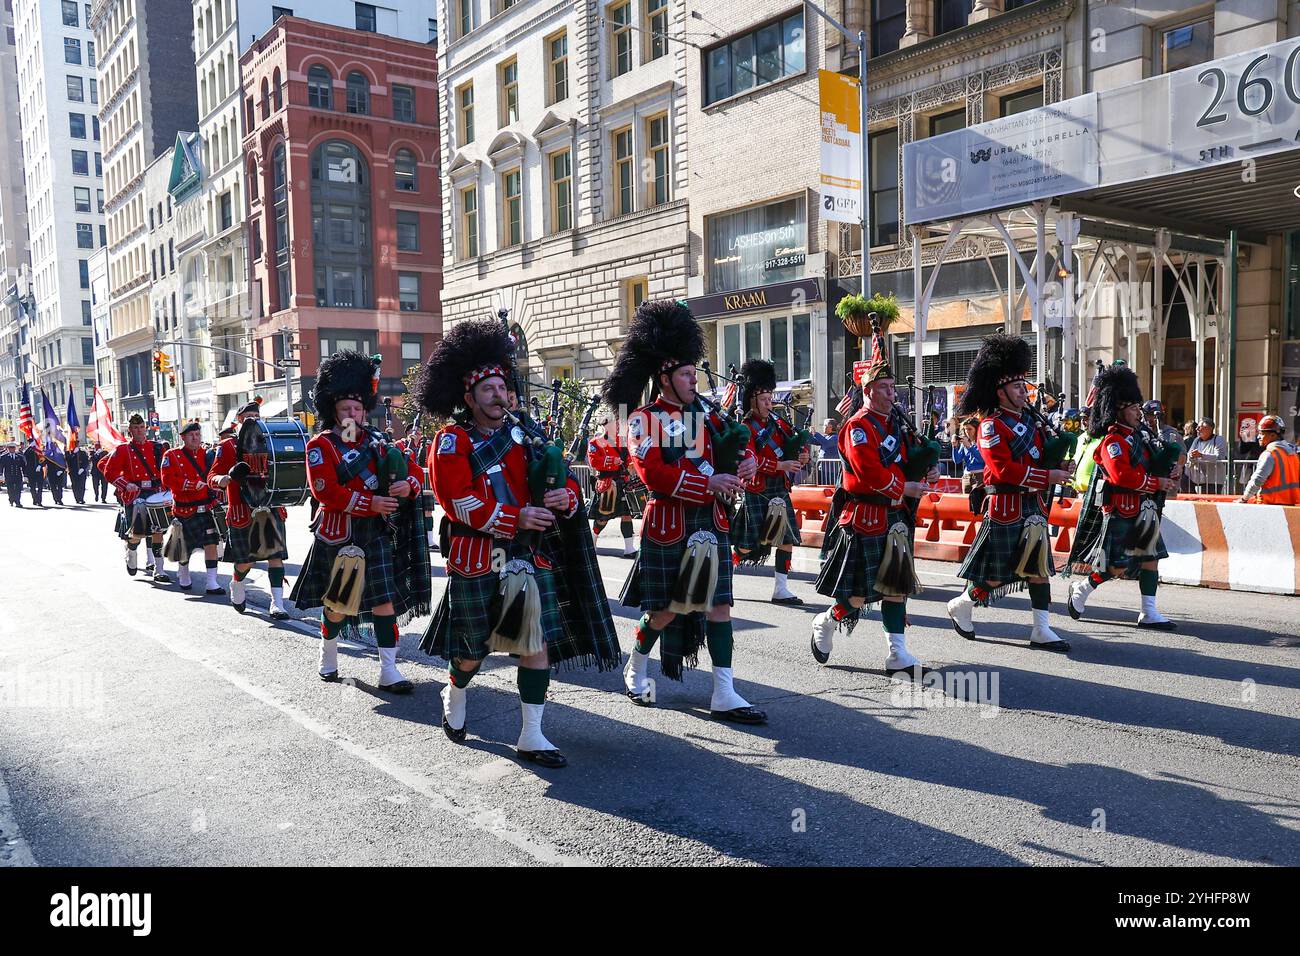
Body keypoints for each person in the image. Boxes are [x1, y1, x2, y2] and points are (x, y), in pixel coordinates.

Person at [418, 322, 621, 766]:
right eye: (487, 389)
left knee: (535, 643)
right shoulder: (452, 441)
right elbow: (458, 503)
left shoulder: (527, 433)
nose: (497, 395)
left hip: (530, 554)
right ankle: (454, 688)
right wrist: (516, 516)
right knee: (473, 650)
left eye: (501, 387)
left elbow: (563, 477)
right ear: (469, 398)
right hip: (478, 557)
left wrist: (565, 496)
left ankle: (532, 735)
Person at [606, 299, 767, 723]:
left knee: (719, 607)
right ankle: (636, 665)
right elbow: (653, 472)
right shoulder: (645, 420)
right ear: (664, 378)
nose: (693, 380)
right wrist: (706, 482)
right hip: (669, 525)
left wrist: (747, 463)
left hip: (710, 522)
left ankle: (724, 691)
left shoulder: (708, 414)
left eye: (694, 373)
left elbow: (738, 445)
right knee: (667, 609)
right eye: (684, 374)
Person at [291, 351, 432, 694]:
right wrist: (371, 502)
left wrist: (408, 485)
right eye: (345, 410)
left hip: (376, 534)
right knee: (338, 605)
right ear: (333, 412)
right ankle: (328, 655)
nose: (352, 414)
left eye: (357, 409)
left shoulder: (379, 441)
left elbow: (412, 470)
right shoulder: (320, 445)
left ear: (365, 409)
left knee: (384, 602)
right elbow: (325, 492)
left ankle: (389, 670)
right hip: (340, 535)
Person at [810, 326, 937, 672]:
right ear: (867, 390)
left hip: (894, 519)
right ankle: (826, 622)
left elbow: (910, 459)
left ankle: (896, 653)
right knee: (858, 595)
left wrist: (928, 470)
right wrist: (904, 488)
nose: (890, 393)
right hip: (866, 516)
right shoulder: (858, 427)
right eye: (883, 387)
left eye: (892, 387)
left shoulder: (897, 425)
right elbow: (867, 473)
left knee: (897, 587)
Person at [944, 334, 1073, 652]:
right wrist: (1047, 475)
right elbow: (1002, 471)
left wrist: (1060, 461)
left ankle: (1041, 629)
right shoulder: (991, 425)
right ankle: (963, 603)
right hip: (1006, 505)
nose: (1023, 390)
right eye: (1016, 387)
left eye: (1023, 385)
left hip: (1033, 506)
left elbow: (1039, 457)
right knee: (997, 575)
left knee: (1040, 569)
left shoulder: (1032, 421)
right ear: (999, 391)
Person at [1065, 365, 1180, 629]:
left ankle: (1148, 612)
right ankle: (1082, 589)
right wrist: (1155, 482)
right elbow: (1121, 476)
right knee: (1117, 566)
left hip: (1144, 507)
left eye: (1138, 407)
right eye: (1132, 408)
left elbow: (1152, 465)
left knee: (1150, 559)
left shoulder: (1140, 437)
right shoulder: (1112, 442)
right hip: (1121, 509)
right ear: (1118, 410)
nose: (1138, 413)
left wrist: (1171, 467)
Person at [731, 358, 810, 604]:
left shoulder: (777, 424)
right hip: (759, 490)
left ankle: (781, 589)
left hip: (779, 490)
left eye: (770, 398)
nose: (769, 403)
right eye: (765, 399)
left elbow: (790, 447)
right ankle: (725, 574)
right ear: (752, 399)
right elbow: (750, 459)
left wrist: (801, 455)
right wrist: (780, 465)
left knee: (787, 540)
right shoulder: (746, 427)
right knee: (747, 546)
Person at [208, 401, 291, 618]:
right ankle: (237, 582)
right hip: (242, 510)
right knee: (246, 561)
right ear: (238, 421)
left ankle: (277, 603)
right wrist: (223, 479)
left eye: (256, 415)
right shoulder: (227, 447)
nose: (253, 420)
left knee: (275, 557)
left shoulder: (271, 442)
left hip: (269, 505)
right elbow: (211, 477)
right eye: (248, 417)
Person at [101, 414, 172, 582]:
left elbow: (166, 469)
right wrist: (125, 484)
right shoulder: (122, 449)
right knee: (137, 533)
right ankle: (131, 551)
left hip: (155, 492)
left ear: (146, 429)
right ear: (130, 430)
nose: (139, 431)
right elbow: (109, 471)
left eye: (141, 427)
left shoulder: (157, 448)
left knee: (158, 530)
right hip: (135, 493)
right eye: (135, 428)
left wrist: (167, 486)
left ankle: (159, 568)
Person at [160, 421, 226, 594]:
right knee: (185, 546)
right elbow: (167, 479)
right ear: (183, 437)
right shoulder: (171, 455)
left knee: (211, 544)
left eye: (197, 434)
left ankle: (212, 582)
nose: (195, 438)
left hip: (206, 508)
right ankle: (183, 574)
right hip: (184, 509)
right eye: (191, 435)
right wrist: (189, 485)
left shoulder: (208, 454)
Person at [587, 415, 638, 556]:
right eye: (613, 424)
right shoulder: (595, 442)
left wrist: (631, 463)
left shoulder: (622, 440)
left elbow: (628, 457)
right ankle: (593, 540)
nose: (616, 426)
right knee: (603, 516)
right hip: (608, 482)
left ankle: (629, 548)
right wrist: (611, 461)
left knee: (627, 515)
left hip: (623, 481)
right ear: (604, 426)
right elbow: (593, 461)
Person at [1237, 415, 1300, 505]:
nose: (1258, 436)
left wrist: (1244, 498)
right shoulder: (1292, 453)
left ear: (1273, 435)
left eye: (1262, 433)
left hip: (1270, 504)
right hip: (1290, 504)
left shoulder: (1270, 454)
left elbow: (1257, 480)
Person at [1185, 419, 1229, 492]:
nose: (1197, 429)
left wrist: (1201, 455)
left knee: (1210, 500)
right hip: (1199, 477)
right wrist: (1191, 456)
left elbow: (1219, 458)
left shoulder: (1218, 439)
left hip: (1214, 479)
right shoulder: (1197, 440)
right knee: (1184, 481)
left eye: (1199, 427)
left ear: (1209, 428)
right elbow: (1189, 455)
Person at [953, 417, 984, 491]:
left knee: (977, 500)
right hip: (967, 476)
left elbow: (982, 459)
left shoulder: (982, 441)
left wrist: (970, 447)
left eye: (970, 429)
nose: (967, 432)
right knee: (966, 501)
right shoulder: (965, 442)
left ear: (976, 429)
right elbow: (957, 460)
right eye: (965, 429)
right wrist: (954, 446)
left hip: (980, 475)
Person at [1, 441, 25, 507]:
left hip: (17, 475)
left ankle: (18, 502)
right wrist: (1, 475)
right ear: (8, 448)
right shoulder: (4, 457)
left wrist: (25, 475)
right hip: (9, 476)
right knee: (10, 489)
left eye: (13, 448)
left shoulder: (19, 456)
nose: (12, 449)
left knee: (18, 489)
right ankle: (11, 500)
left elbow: (23, 466)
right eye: (10, 448)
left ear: (15, 448)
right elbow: (1, 467)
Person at [22, 440, 44, 507]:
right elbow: (24, 458)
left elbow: (44, 458)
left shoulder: (39, 449)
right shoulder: (28, 450)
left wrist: (40, 465)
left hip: (39, 471)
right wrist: (30, 447)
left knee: (40, 487)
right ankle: (35, 499)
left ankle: (39, 501)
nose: (31, 443)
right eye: (29, 442)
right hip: (31, 472)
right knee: (32, 487)